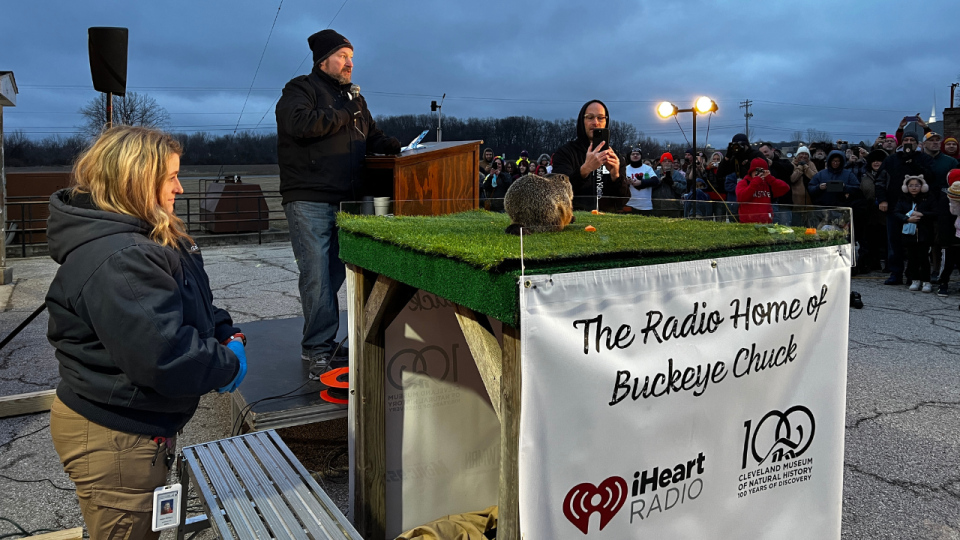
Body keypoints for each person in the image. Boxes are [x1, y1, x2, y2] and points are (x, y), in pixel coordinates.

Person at [45, 126, 247, 539]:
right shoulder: (123, 255)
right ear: (137, 180)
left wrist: (224, 331)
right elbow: (165, 355)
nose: (180, 188)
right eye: (170, 177)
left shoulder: (149, 235)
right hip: (116, 437)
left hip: (137, 429)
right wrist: (227, 365)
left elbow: (191, 303)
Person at [276, 29, 400, 377]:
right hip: (310, 196)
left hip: (348, 198)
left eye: (351, 56)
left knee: (332, 274)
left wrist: (391, 145)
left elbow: (369, 134)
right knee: (316, 275)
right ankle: (316, 349)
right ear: (323, 60)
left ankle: (322, 342)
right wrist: (346, 110)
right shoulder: (299, 90)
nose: (350, 63)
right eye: (343, 56)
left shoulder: (354, 99)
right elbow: (300, 125)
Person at [875, 132, 935, 285]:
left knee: (915, 244)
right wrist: (882, 200)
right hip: (894, 206)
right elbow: (880, 181)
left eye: (912, 140)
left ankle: (912, 274)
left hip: (917, 207)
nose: (909, 142)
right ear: (901, 143)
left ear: (917, 143)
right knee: (894, 242)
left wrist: (913, 162)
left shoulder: (924, 159)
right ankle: (896, 273)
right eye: (906, 140)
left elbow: (930, 177)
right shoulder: (891, 160)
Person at [551, 100, 624, 210]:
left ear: (606, 121)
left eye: (600, 118)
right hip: (575, 219)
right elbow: (558, 193)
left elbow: (622, 201)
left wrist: (616, 176)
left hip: (608, 221)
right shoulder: (565, 153)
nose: (595, 122)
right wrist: (585, 170)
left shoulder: (614, 156)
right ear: (582, 121)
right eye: (590, 117)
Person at [894, 175, 936, 292]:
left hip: (924, 232)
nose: (914, 188)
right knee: (912, 258)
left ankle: (926, 282)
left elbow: (935, 212)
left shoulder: (928, 198)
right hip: (908, 233)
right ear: (906, 187)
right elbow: (896, 212)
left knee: (924, 258)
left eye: (917, 185)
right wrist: (906, 219)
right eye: (911, 185)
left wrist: (922, 214)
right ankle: (915, 280)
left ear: (922, 186)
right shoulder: (903, 198)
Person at [859, 150, 891, 272]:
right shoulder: (865, 176)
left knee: (887, 240)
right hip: (870, 212)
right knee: (872, 240)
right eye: (874, 160)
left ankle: (889, 264)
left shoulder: (889, 174)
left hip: (886, 211)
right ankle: (874, 263)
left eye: (879, 160)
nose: (876, 163)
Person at [736, 158, 790, 223]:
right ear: (751, 171)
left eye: (762, 171)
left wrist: (770, 178)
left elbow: (785, 188)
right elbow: (741, 199)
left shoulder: (768, 183)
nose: (759, 173)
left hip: (766, 222)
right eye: (757, 171)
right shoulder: (744, 182)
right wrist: (755, 182)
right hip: (747, 222)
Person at [936, 171, 960, 296]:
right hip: (950, 236)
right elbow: (944, 219)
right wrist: (944, 240)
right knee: (947, 263)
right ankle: (943, 283)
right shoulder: (945, 197)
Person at [759, 143, 795, 224]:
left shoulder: (783, 161)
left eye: (766, 152)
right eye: (762, 153)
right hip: (768, 203)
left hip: (784, 203)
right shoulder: (760, 167)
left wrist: (773, 164)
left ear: (772, 150)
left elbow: (790, 169)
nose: (764, 155)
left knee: (785, 229)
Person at [624, 147, 658, 214]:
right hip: (629, 204)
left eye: (637, 154)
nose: (635, 155)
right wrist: (626, 182)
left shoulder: (647, 168)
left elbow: (655, 181)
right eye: (633, 154)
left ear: (641, 156)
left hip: (645, 205)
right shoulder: (625, 169)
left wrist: (641, 182)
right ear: (630, 156)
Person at [652, 152, 687, 217]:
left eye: (669, 161)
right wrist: (660, 181)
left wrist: (673, 184)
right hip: (657, 206)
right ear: (661, 162)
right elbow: (649, 187)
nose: (667, 163)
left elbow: (683, 188)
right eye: (665, 161)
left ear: (672, 163)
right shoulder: (654, 174)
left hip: (673, 207)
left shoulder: (678, 175)